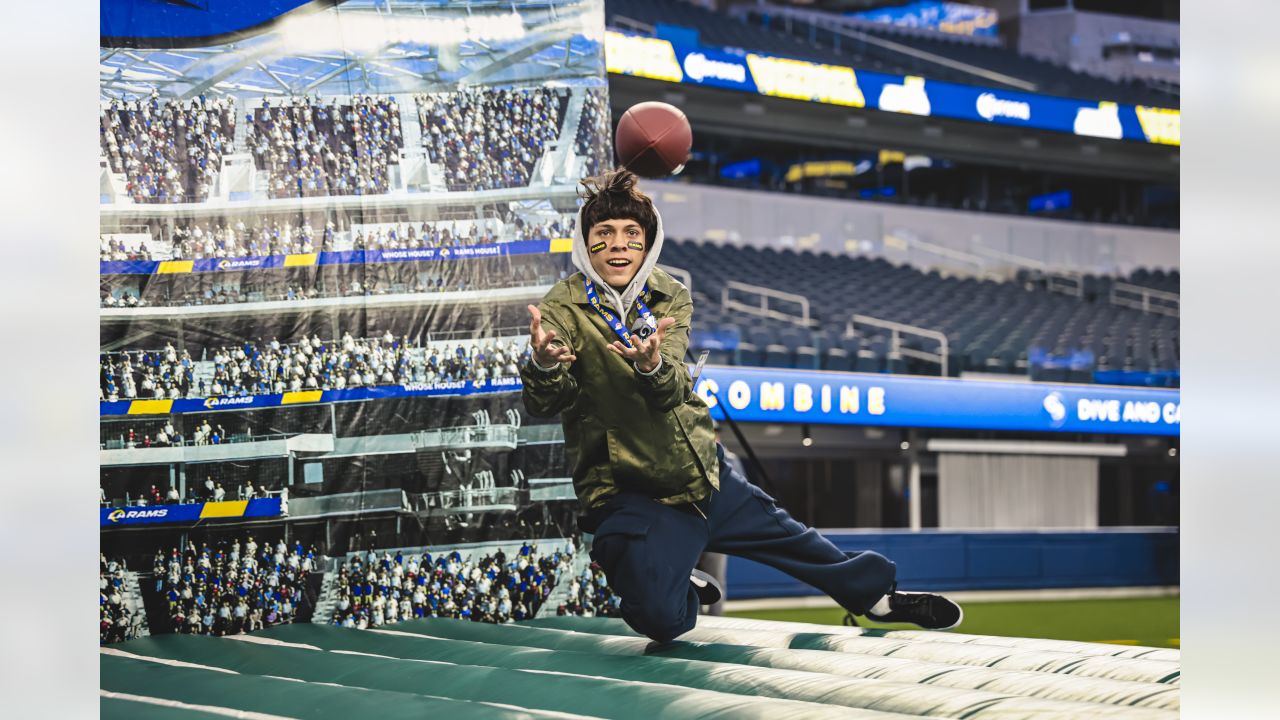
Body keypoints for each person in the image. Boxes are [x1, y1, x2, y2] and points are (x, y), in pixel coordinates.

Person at [520, 169, 961, 643]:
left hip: (704, 470)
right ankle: (673, 573)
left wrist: (650, 365)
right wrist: (544, 365)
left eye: (633, 234)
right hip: (636, 491)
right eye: (604, 234)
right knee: (661, 619)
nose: (620, 245)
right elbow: (546, 401)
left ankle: (879, 599)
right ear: (585, 244)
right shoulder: (562, 307)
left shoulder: (670, 294)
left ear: (648, 244)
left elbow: (667, 391)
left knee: (796, 541)